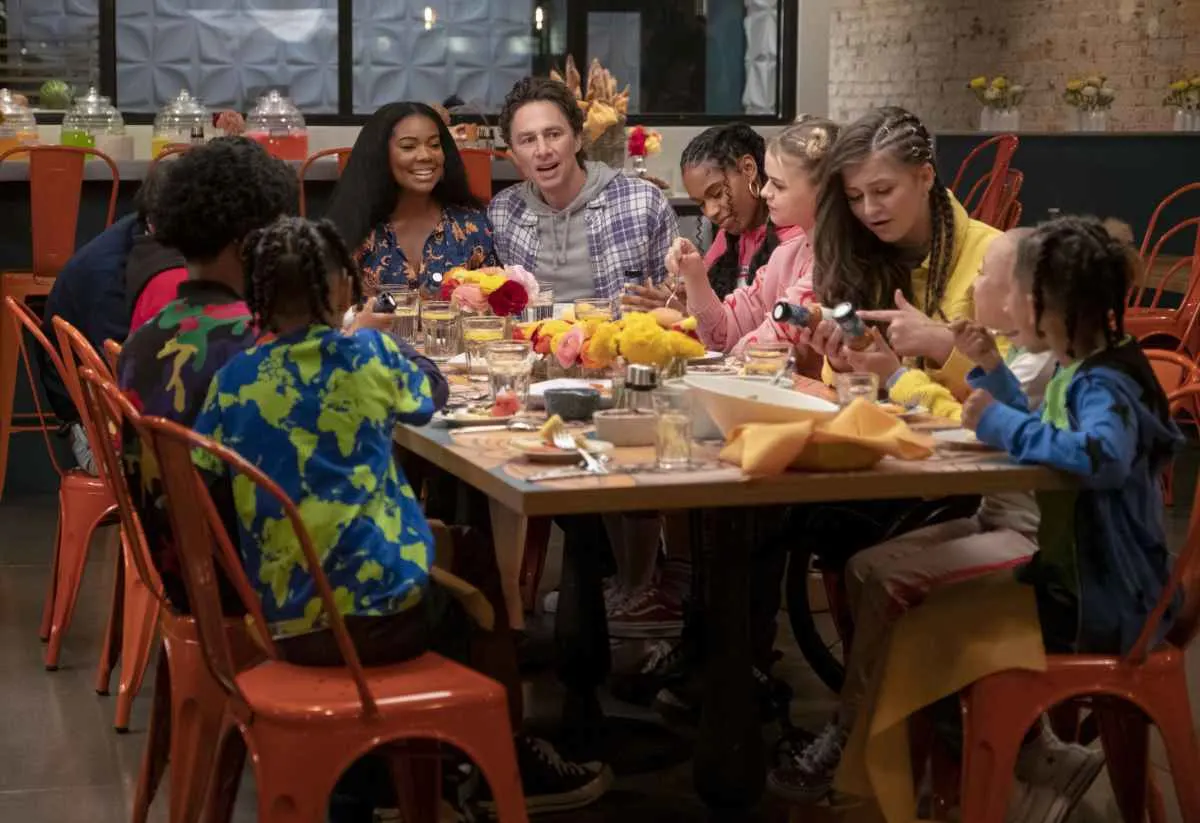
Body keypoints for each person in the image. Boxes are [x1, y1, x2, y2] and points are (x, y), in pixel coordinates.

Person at [191, 216, 612, 820]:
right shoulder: (367, 355)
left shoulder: (233, 379)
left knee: (449, 557)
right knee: (470, 570)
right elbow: (429, 396)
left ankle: (390, 773)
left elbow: (205, 467)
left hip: (279, 613)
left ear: (255, 294)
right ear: (342, 288)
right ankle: (493, 757)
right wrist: (382, 338)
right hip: (381, 621)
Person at [767, 228, 1077, 805]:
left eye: (985, 276)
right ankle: (891, 728)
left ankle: (855, 735)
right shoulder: (1016, 354)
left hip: (1029, 541)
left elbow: (972, 425)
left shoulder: (1037, 367)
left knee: (889, 583)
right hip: (993, 516)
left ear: (1023, 300)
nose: (975, 282)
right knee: (864, 567)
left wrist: (896, 374)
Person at [117, 136, 298, 609]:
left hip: (182, 575)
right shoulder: (258, 341)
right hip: (258, 586)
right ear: (249, 245)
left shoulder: (141, 340)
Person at [40, 162, 185, 472]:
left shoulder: (144, 234)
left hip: (119, 405)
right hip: (96, 427)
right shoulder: (112, 280)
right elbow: (122, 391)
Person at [490, 76, 678, 304]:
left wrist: (668, 301)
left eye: (553, 134)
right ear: (514, 154)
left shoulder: (643, 202)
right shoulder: (503, 212)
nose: (543, 150)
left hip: (620, 327)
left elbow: (676, 300)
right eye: (528, 140)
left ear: (578, 140)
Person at [673, 118, 839, 360]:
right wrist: (694, 274)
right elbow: (722, 334)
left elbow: (768, 344)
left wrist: (728, 361)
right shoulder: (785, 256)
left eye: (778, 185)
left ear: (823, 189)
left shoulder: (835, 265)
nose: (765, 191)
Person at [326, 102, 498, 297]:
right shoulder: (351, 230)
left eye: (434, 145)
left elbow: (493, 305)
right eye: (408, 146)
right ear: (381, 155)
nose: (425, 156)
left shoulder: (472, 226)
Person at [621, 122, 778, 313]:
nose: (710, 212)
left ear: (748, 169)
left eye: (717, 193)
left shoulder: (793, 240)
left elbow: (759, 326)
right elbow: (713, 315)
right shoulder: (728, 238)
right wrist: (686, 298)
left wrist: (685, 313)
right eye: (701, 204)